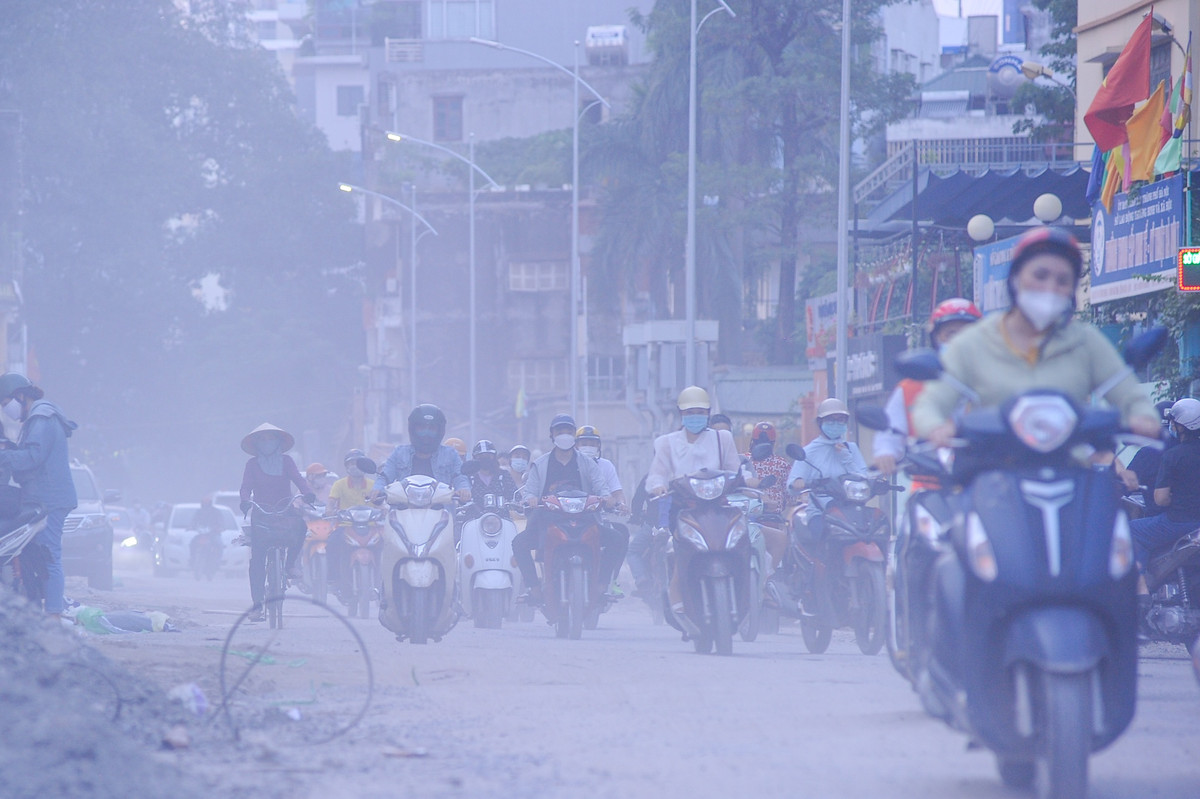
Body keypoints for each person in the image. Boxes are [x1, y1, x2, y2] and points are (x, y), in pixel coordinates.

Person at [912, 227, 1159, 445]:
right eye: (1040, 276)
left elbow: (1130, 396)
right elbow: (930, 404)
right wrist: (936, 427)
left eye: (1062, 281)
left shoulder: (1087, 342)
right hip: (993, 476)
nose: (1050, 288)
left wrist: (1143, 418)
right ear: (1015, 279)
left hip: (1073, 474)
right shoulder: (973, 342)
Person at [645, 387, 745, 611]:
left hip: (719, 507)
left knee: (739, 542)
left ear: (708, 413)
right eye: (690, 413)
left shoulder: (723, 439)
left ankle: (746, 588)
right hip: (683, 508)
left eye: (700, 412)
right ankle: (676, 591)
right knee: (681, 549)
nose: (695, 417)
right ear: (681, 414)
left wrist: (741, 483)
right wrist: (658, 487)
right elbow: (657, 474)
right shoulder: (666, 443)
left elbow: (734, 471)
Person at [872, 298, 982, 477]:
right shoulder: (910, 387)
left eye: (967, 334)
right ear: (936, 339)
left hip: (987, 480)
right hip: (929, 484)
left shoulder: (993, 381)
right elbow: (890, 431)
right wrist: (886, 452)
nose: (959, 342)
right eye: (951, 334)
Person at [0, 374, 77, 617]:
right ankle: (39, 611)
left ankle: (54, 616)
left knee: (49, 556)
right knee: (37, 556)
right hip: (42, 496)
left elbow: (33, 457)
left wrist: (3, 456)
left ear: (21, 395)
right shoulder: (36, 419)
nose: (6, 410)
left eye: (5, 403)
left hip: (51, 498)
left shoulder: (42, 417)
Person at [513, 414, 611, 603]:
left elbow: (601, 487)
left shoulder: (587, 463)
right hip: (547, 520)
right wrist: (531, 499)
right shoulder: (540, 464)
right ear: (552, 435)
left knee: (616, 539)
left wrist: (606, 498)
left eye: (568, 431)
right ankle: (533, 588)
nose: (564, 435)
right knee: (518, 543)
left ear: (574, 435)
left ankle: (601, 586)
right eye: (560, 431)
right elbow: (530, 491)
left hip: (585, 519)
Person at [238, 423, 314, 622]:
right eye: (262, 439)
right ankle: (257, 606)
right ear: (256, 444)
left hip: (284, 510)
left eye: (270, 438)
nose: (266, 443)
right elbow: (245, 487)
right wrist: (245, 501)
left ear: (278, 441)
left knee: (301, 527)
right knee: (257, 560)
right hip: (261, 514)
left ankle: (289, 565)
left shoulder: (287, 461)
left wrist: (308, 493)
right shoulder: (252, 465)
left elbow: (299, 479)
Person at [1131, 399, 1200, 602]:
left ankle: (1140, 592)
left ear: (1181, 426)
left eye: (1174, 423)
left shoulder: (1172, 456)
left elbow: (1160, 500)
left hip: (1178, 522)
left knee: (1129, 530)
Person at [787, 398, 868, 542]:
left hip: (852, 510)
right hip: (821, 512)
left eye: (841, 420)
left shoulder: (851, 449)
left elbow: (864, 478)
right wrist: (798, 482)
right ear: (820, 423)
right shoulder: (809, 452)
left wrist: (846, 459)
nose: (836, 424)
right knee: (826, 541)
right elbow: (792, 484)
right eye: (831, 420)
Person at [374, 404, 470, 501]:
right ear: (413, 430)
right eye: (421, 429)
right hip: (403, 510)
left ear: (439, 431)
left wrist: (463, 489)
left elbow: (460, 477)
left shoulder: (451, 454)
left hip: (441, 510)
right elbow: (385, 477)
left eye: (432, 429)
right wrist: (377, 489)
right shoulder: (399, 453)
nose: (426, 434)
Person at [576, 424, 630, 595]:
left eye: (592, 443)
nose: (588, 447)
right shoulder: (569, 465)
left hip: (597, 518)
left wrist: (620, 503)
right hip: (569, 516)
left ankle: (609, 579)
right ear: (576, 445)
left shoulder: (606, 466)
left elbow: (617, 493)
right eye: (584, 443)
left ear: (598, 446)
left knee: (621, 535)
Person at [326, 448, 375, 600]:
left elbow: (381, 503)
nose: (355, 466)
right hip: (345, 526)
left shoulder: (373, 485)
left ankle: (385, 582)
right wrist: (329, 511)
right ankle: (333, 579)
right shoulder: (339, 485)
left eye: (358, 463)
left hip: (371, 527)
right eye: (351, 463)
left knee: (388, 545)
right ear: (346, 467)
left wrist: (385, 509)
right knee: (331, 543)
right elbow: (331, 504)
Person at [1114, 399, 1175, 516]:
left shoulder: (1148, 453)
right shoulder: (1191, 448)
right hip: (1191, 517)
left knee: (1128, 530)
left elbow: (1124, 486)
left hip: (1162, 519)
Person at [466, 440, 518, 506]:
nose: (485, 458)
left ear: (494, 457)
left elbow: (516, 497)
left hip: (502, 516)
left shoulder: (504, 475)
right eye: (481, 456)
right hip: (473, 516)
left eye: (488, 456)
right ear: (474, 458)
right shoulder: (469, 477)